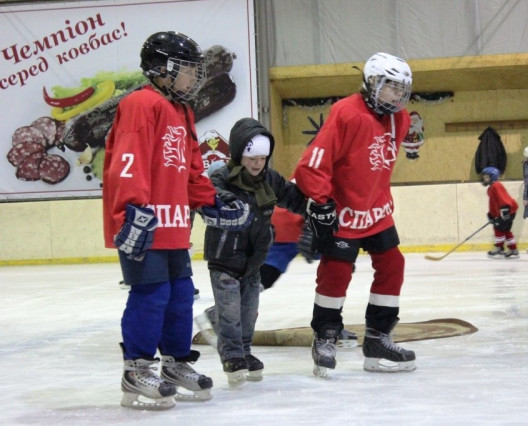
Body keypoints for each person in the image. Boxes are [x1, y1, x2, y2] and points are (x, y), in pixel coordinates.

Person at [102, 31, 251, 410]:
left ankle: (174, 363)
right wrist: (131, 211)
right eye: (187, 69)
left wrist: (210, 201)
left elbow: (190, 169)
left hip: (173, 225)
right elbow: (127, 161)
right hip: (143, 223)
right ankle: (136, 369)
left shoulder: (181, 110)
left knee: (181, 296)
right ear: (162, 69)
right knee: (151, 295)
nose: (194, 77)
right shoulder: (140, 104)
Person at [293, 52, 416, 377]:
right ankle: (325, 336)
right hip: (344, 213)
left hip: (376, 211)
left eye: (402, 89)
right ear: (372, 83)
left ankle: (377, 339)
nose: (397, 95)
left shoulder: (400, 119)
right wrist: (321, 203)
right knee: (336, 272)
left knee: (393, 265)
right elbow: (311, 164)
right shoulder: (346, 112)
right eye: (391, 87)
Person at [198, 117, 307, 387]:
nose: (258, 164)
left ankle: (244, 350)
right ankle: (232, 355)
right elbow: (211, 194)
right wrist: (226, 202)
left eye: (262, 158)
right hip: (225, 258)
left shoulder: (269, 179)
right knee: (229, 312)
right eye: (252, 159)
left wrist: (315, 208)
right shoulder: (222, 177)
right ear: (238, 154)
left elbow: (293, 197)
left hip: (254, 260)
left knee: (248, 313)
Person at [481, 167, 520, 259]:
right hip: (504, 211)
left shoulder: (496, 185)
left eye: (486, 177)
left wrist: (505, 209)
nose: (484, 179)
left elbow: (503, 198)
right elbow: (493, 203)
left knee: (498, 228)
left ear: (493, 177)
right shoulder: (490, 188)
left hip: (508, 210)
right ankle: (513, 249)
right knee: (504, 230)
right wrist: (491, 214)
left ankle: (499, 248)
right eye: (484, 177)